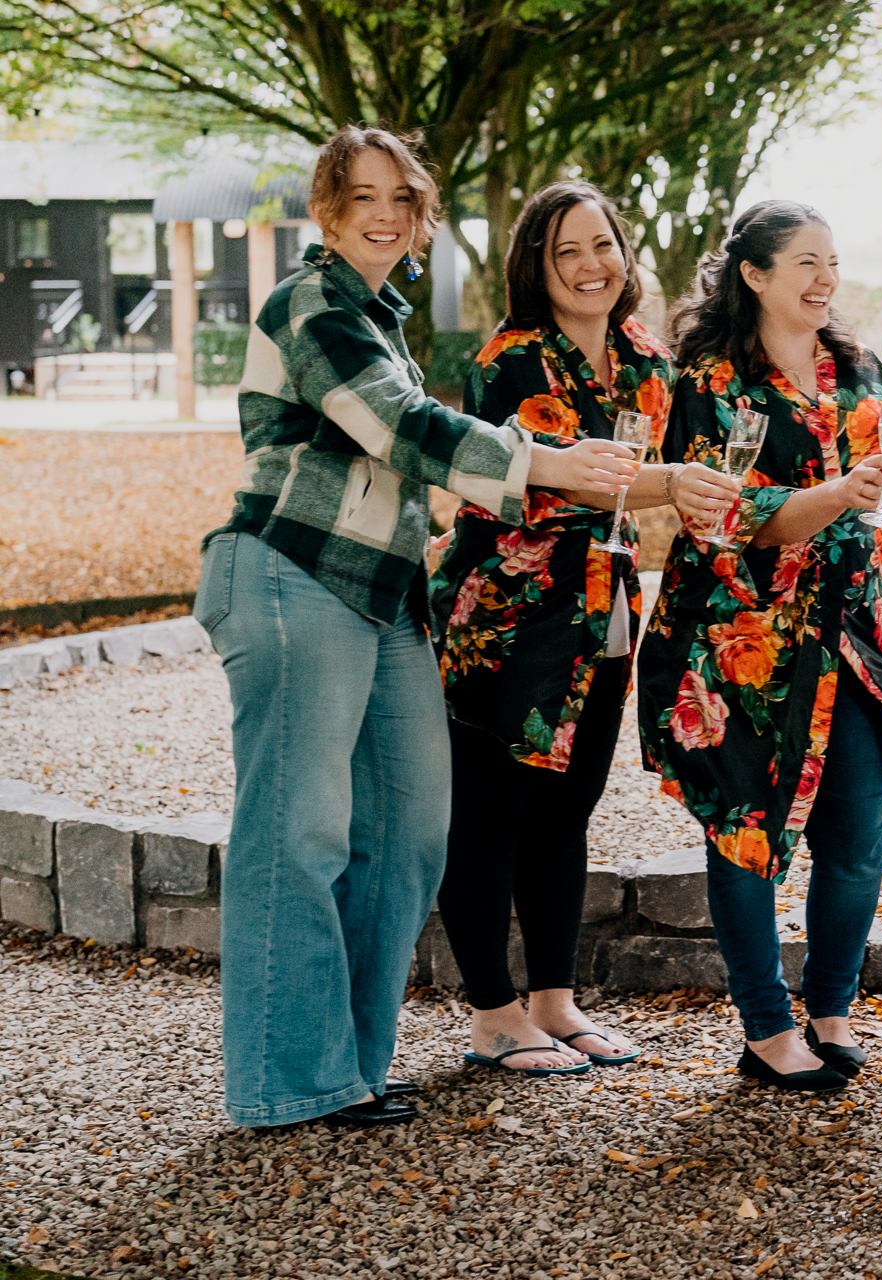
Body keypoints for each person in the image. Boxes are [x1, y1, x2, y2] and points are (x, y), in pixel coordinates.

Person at [195, 127, 635, 1127]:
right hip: (289, 574)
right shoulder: (311, 302)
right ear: (326, 209)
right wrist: (549, 461)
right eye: (360, 196)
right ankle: (289, 1081)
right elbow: (398, 426)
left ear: (423, 212)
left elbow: (395, 470)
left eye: (402, 195)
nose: (384, 212)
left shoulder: (380, 316)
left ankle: (348, 1063)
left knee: (407, 833)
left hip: (385, 594)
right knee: (298, 831)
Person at [637, 199, 882, 1092]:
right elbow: (731, 516)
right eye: (806, 262)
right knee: (746, 835)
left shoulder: (863, 372)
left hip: (851, 642)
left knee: (857, 837)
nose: (826, 280)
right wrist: (838, 493)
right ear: (755, 274)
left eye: (833, 263)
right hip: (737, 646)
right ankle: (767, 1028)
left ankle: (831, 1011)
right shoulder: (709, 381)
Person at [429, 181, 740, 1075]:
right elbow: (576, 480)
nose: (589, 266)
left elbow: (688, 462)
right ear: (537, 266)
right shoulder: (513, 358)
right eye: (565, 251)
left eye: (601, 245)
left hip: (602, 618)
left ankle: (556, 1003)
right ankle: (493, 1014)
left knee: (567, 816)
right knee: (490, 819)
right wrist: (673, 484)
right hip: (508, 621)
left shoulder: (647, 358)